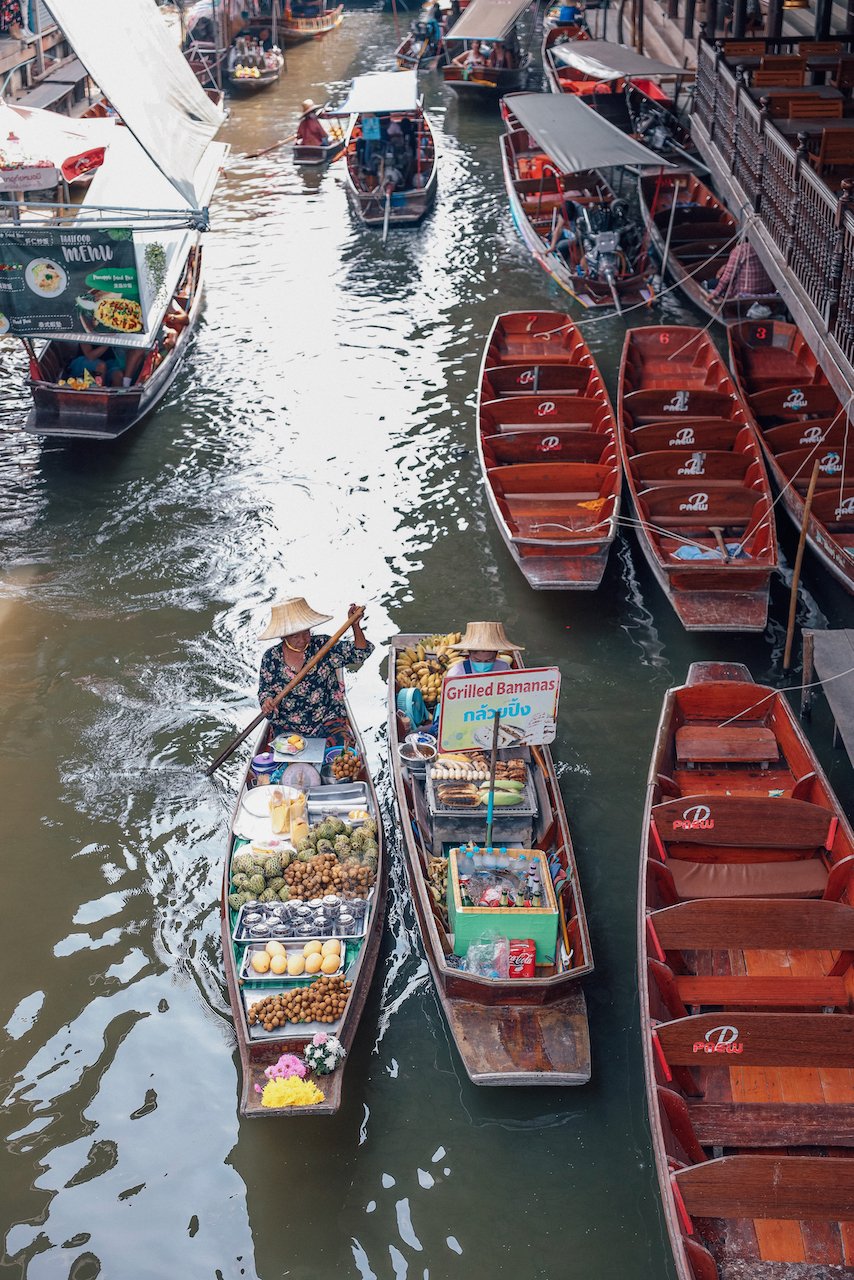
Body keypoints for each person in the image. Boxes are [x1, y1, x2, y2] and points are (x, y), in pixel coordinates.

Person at [258, 598, 373, 740]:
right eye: (295, 635)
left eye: (306, 632)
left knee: (342, 756)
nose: (302, 639)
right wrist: (267, 701)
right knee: (289, 760)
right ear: (283, 636)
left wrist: (355, 625)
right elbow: (265, 690)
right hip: (287, 725)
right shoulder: (271, 658)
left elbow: (359, 654)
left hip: (327, 719)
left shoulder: (322, 645)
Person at [708, 242, 775, 302]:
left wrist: (715, 293)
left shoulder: (740, 250)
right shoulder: (768, 249)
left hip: (744, 295)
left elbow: (728, 276)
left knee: (710, 283)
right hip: (766, 292)